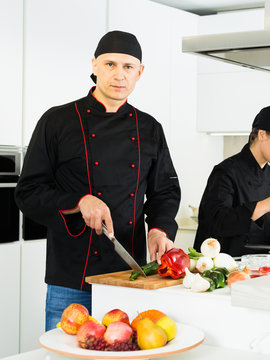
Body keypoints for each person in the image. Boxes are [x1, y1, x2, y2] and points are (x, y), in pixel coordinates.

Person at [15, 31, 180, 330]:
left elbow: (165, 191)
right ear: (94, 66)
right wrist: (78, 201)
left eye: (128, 67)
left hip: (126, 275)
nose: (119, 75)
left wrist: (159, 229)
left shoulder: (149, 128)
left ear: (140, 72)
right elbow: (27, 192)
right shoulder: (57, 121)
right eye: (110, 64)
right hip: (71, 276)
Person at [194, 106, 270, 257]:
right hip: (225, 266)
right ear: (262, 134)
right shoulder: (226, 172)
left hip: (260, 265)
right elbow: (216, 222)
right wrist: (264, 206)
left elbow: (263, 231)